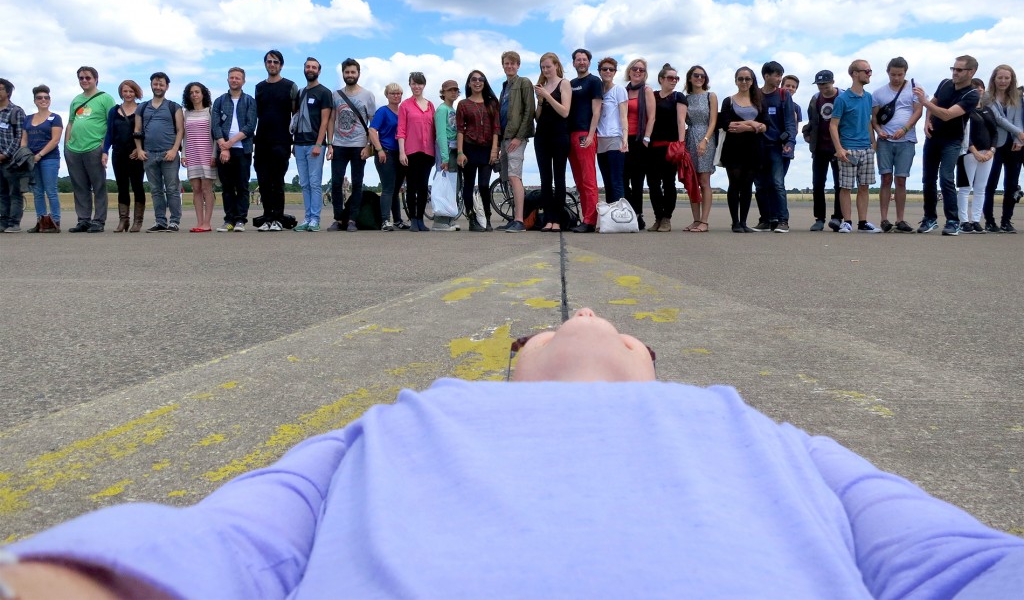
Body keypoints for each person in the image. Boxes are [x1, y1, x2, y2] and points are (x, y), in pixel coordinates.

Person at [9, 308, 1022, 599]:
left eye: (605, 317)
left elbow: (963, 563)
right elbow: (223, 545)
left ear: (649, 363)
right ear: (512, 369)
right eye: (556, 320)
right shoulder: (399, 415)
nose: (583, 309)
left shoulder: (769, 429)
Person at [913, 55, 982, 235]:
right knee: (928, 179)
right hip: (933, 138)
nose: (955, 73)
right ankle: (930, 218)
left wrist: (924, 101)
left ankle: (953, 221)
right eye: (953, 69)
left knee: (946, 178)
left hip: (952, 141)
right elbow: (934, 105)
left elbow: (947, 114)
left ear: (971, 72)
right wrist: (927, 121)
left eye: (959, 70)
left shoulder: (972, 95)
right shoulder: (944, 83)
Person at [829, 60, 882, 234]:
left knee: (864, 186)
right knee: (845, 187)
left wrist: (872, 143)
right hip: (848, 149)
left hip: (866, 148)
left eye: (870, 71)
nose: (869, 74)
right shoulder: (842, 99)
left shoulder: (868, 97)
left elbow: (868, 120)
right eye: (866, 71)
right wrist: (839, 148)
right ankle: (847, 221)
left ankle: (863, 222)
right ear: (854, 73)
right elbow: (833, 125)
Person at [871, 56, 922, 233]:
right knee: (886, 178)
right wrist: (879, 131)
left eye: (900, 74)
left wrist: (906, 129)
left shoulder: (914, 89)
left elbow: (918, 111)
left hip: (906, 141)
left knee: (901, 179)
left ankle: (900, 219)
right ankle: (884, 219)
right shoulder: (878, 93)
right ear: (888, 73)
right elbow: (874, 119)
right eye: (893, 74)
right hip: (885, 141)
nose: (896, 78)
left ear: (905, 73)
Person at [64, 66, 116, 233]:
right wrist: (66, 145)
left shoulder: (105, 98)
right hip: (74, 149)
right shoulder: (76, 100)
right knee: (79, 186)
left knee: (98, 185)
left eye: (88, 77)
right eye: (81, 78)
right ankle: (83, 220)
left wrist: (104, 147)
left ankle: (99, 220)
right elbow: (71, 122)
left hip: (94, 147)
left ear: (95, 79)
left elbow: (112, 124)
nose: (84, 81)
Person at [326, 58, 375, 233]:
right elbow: (331, 119)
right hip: (339, 144)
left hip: (358, 145)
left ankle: (353, 219)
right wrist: (329, 143)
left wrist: (368, 146)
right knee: (337, 182)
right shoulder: (336, 95)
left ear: (358, 74)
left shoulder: (367, 95)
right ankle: (338, 219)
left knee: (357, 183)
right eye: (347, 72)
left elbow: (372, 123)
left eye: (353, 72)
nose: (350, 75)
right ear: (343, 74)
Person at [254, 50, 299, 232]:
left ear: (281, 65)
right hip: (262, 140)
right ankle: (267, 217)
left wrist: (294, 141)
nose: (272, 64)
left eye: (276, 62)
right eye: (269, 61)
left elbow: (295, 115)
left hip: (282, 140)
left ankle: (278, 218)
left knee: (277, 181)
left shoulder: (290, 86)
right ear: (265, 64)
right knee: (263, 181)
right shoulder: (259, 87)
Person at [134, 72, 184, 233]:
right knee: (155, 190)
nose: (158, 87)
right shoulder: (142, 107)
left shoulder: (173, 107)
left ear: (167, 86)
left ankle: (174, 221)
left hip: (168, 153)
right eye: (155, 84)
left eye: (161, 84)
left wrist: (175, 150)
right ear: (151, 85)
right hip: (149, 154)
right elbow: (137, 130)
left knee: (172, 189)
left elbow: (180, 130)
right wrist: (140, 149)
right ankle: (160, 221)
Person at [719, 67, 767, 232]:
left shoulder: (759, 102)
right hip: (733, 149)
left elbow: (764, 126)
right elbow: (726, 124)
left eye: (747, 79)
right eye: (741, 79)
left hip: (753, 149)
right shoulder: (729, 101)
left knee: (747, 186)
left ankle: (744, 222)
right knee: (734, 184)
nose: (744, 82)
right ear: (736, 81)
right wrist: (754, 125)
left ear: (752, 81)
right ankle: (735, 222)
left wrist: (749, 126)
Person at [752, 60, 796, 233]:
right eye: (777, 75)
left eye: (781, 75)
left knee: (777, 184)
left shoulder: (784, 95)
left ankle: (782, 221)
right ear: (766, 76)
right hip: (758, 146)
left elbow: (790, 123)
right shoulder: (754, 95)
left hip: (777, 146)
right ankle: (766, 220)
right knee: (760, 185)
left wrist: (790, 142)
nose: (779, 79)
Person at [212, 67, 257, 232]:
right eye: (232, 77)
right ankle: (229, 219)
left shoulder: (249, 101)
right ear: (227, 80)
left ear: (243, 81)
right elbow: (215, 125)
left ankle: (240, 220)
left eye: (238, 78)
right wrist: (223, 146)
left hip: (242, 149)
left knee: (242, 186)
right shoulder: (219, 101)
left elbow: (250, 126)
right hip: (223, 150)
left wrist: (230, 143)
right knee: (227, 187)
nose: (234, 80)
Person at [291, 57, 333, 233]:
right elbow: (296, 118)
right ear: (304, 69)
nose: (310, 69)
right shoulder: (300, 92)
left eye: (314, 67)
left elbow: (325, 121)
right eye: (308, 66)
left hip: (315, 144)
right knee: (304, 183)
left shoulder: (324, 92)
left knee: (315, 183)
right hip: (299, 143)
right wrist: (294, 143)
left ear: (319, 71)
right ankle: (307, 217)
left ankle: (315, 219)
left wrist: (319, 143)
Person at [495, 51, 535, 233]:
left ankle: (520, 220)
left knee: (514, 175)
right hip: (505, 137)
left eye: (513, 63)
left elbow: (529, 110)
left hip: (516, 137)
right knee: (507, 177)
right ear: (503, 65)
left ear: (518, 65)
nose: (510, 66)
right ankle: (514, 218)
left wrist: (519, 137)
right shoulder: (505, 87)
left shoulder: (523, 82)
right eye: (507, 63)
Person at [981, 64, 1024, 233]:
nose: (1003, 81)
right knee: (990, 184)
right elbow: (998, 119)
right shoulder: (986, 97)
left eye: (1007, 78)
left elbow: (1018, 119)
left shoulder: (1017, 97)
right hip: (994, 144)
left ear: (1012, 79)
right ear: (994, 79)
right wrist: (1020, 133)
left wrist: (1018, 139)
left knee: (1011, 184)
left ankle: (1006, 221)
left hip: (1014, 145)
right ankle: (990, 221)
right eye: (1000, 78)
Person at [645, 64, 688, 233]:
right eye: (670, 78)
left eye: (676, 78)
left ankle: (666, 218)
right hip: (653, 146)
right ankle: (657, 217)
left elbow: (680, 122)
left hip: (670, 147)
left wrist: (681, 144)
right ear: (661, 79)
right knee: (653, 184)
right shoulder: (653, 96)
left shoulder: (678, 97)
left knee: (669, 183)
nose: (674, 81)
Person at [456, 70, 501, 231]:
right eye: (474, 79)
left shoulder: (492, 103)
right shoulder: (463, 104)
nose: (477, 82)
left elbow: (496, 128)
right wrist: (460, 152)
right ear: (469, 83)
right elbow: (460, 130)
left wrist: (495, 150)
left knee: (483, 185)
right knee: (468, 185)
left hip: (487, 149)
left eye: (481, 79)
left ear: (484, 82)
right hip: (469, 148)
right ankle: (471, 218)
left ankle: (487, 218)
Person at [533, 52, 572, 232]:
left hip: (559, 136)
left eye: (548, 66)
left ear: (556, 65)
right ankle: (548, 218)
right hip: (542, 136)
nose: (546, 70)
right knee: (545, 179)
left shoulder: (564, 83)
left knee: (559, 177)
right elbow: (538, 118)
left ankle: (558, 219)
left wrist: (547, 96)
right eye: (543, 67)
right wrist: (540, 101)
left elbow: (564, 111)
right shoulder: (542, 86)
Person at [802, 70, 844, 232]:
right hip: (819, 148)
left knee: (840, 184)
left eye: (825, 85)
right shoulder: (815, 99)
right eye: (820, 85)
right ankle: (819, 219)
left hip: (838, 147)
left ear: (833, 82)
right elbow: (812, 120)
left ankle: (838, 218)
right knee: (817, 184)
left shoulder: (843, 97)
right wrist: (807, 134)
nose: (823, 88)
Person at [567, 47, 603, 233]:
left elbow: (597, 111)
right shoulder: (571, 83)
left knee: (589, 180)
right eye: (578, 59)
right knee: (579, 181)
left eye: (584, 59)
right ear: (573, 63)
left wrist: (590, 135)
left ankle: (590, 221)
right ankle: (585, 218)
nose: (581, 62)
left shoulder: (594, 82)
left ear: (589, 62)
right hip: (569, 135)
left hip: (584, 134)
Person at [103, 80, 146, 232]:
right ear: (121, 92)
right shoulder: (114, 111)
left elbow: (144, 131)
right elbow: (109, 133)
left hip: (135, 154)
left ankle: (138, 221)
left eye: (131, 91)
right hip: (118, 153)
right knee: (121, 187)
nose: (128, 94)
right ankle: (123, 220)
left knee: (137, 186)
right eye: (125, 91)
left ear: (136, 93)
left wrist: (140, 148)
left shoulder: (142, 109)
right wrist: (105, 151)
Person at [956, 78, 998, 233]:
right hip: (969, 153)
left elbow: (994, 132)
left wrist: (991, 150)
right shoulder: (965, 110)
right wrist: (973, 150)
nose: (979, 89)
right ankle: (964, 221)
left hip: (987, 154)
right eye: (975, 87)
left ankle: (976, 220)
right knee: (965, 188)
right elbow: (965, 133)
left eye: (981, 87)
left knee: (981, 188)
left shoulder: (988, 110)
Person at [20, 85, 63, 233]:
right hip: (32, 160)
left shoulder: (55, 118)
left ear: (50, 100)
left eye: (46, 97)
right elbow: (24, 139)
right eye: (40, 98)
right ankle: (41, 221)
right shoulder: (28, 118)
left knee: (51, 190)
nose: (43, 100)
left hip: (49, 158)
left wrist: (40, 155)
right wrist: (25, 154)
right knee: (37, 191)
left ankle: (55, 221)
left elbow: (55, 140)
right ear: (35, 101)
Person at [397, 72, 435, 232]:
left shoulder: (430, 105)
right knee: (411, 186)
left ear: (424, 85)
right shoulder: (405, 105)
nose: (417, 86)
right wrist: (402, 152)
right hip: (411, 151)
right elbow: (401, 130)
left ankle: (420, 219)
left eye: (419, 84)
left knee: (423, 186)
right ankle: (413, 219)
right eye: (413, 83)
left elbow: (434, 129)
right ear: (410, 85)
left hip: (428, 152)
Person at [682, 64, 718, 232]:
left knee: (704, 181)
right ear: (690, 78)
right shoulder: (685, 99)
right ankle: (695, 220)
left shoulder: (710, 96)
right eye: (696, 75)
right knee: (692, 182)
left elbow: (713, 121)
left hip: (706, 137)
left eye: (702, 76)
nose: (699, 78)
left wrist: (705, 140)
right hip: (690, 137)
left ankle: (704, 221)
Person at [369, 83, 407, 231]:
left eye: (398, 93)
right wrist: (379, 149)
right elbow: (372, 130)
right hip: (386, 152)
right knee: (388, 188)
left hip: (401, 153)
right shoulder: (383, 112)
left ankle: (397, 220)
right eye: (393, 93)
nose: (396, 96)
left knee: (397, 189)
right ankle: (385, 220)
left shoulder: (403, 112)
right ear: (387, 95)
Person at [623, 58, 656, 230]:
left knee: (637, 182)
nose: (637, 72)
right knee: (622, 180)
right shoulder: (622, 90)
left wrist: (646, 139)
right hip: (623, 140)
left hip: (639, 141)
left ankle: (638, 216)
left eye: (641, 70)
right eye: (635, 69)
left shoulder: (647, 91)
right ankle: (627, 213)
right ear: (629, 71)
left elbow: (652, 117)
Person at [181, 82, 217, 233]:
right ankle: (199, 222)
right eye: (191, 93)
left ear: (203, 94)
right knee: (196, 189)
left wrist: (214, 154)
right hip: (192, 154)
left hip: (207, 153)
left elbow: (215, 135)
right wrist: (183, 154)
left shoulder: (210, 111)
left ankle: (207, 223)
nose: (194, 95)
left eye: (197, 92)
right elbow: (185, 136)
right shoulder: (186, 113)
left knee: (206, 188)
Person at [595, 57, 628, 204]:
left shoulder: (619, 90)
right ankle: (610, 217)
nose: (608, 72)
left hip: (615, 138)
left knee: (616, 181)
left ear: (615, 72)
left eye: (611, 69)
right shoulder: (597, 90)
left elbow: (623, 116)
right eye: (604, 69)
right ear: (599, 71)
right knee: (607, 182)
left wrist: (625, 138)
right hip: (600, 139)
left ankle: (620, 216)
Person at [432, 79, 461, 231]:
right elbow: (441, 134)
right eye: (450, 90)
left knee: (452, 185)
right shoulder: (442, 110)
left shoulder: (452, 110)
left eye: (455, 90)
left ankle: (448, 218)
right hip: (446, 150)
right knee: (445, 186)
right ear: (443, 93)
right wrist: (444, 157)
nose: (453, 92)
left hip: (454, 150)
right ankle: (440, 220)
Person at [0, 78, 27, 233]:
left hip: (12, 160)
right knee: (2, 193)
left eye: (0, 89)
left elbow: (19, 136)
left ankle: (14, 222)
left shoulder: (16, 111)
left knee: (14, 193)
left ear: (8, 92)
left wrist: (5, 154)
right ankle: (3, 221)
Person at [780, 74, 802, 181]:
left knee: (780, 180)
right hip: (772, 145)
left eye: (793, 87)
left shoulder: (796, 107)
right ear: (781, 86)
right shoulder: (775, 103)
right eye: (787, 85)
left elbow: (795, 129)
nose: (790, 88)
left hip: (788, 146)